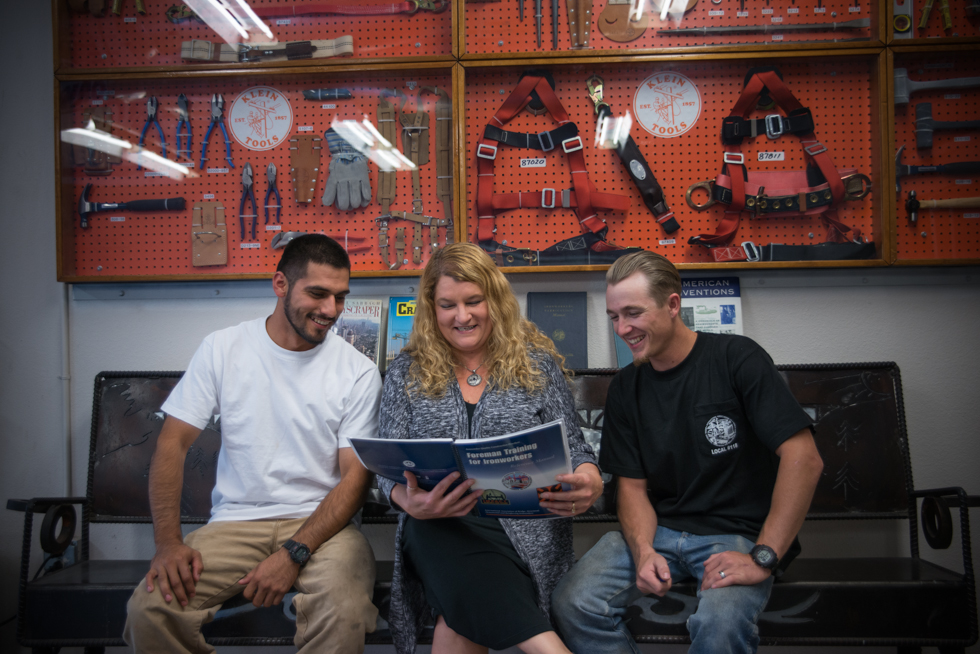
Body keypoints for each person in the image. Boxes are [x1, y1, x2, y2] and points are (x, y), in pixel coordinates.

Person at [552, 251, 824, 654]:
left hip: (734, 536)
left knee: (721, 622)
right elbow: (632, 488)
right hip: (656, 532)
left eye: (633, 313)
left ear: (673, 305)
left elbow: (804, 458)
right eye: (614, 317)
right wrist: (643, 552)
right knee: (572, 602)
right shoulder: (627, 388)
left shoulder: (737, 359)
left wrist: (764, 556)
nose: (623, 328)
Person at [124, 234, 382, 654]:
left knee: (344, 609)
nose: (330, 310)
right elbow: (172, 444)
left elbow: (356, 476)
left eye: (340, 297)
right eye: (317, 294)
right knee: (150, 611)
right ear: (280, 284)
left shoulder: (357, 371)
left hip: (325, 529)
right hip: (235, 524)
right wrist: (168, 543)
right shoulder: (223, 349)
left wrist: (294, 552)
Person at [377, 242, 604, 654]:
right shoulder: (405, 373)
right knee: (442, 536)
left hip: (525, 532)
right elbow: (387, 470)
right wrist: (406, 502)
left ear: (494, 300)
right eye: (448, 305)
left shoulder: (536, 364)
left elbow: (576, 448)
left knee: (459, 607)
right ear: (431, 308)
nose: (462, 316)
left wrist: (589, 479)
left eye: (473, 301)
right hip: (436, 522)